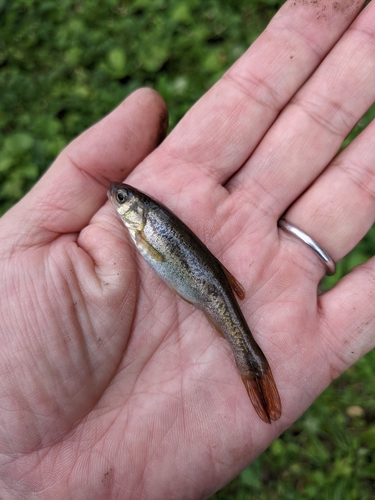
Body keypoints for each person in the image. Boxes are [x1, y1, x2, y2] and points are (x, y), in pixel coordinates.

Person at [1, 0, 375, 497]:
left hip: (207, 291)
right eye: (120, 198)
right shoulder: (141, 224)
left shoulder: (141, 223)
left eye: (121, 199)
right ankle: (251, 364)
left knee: (230, 321)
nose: (117, 200)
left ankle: (252, 362)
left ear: (132, 210)